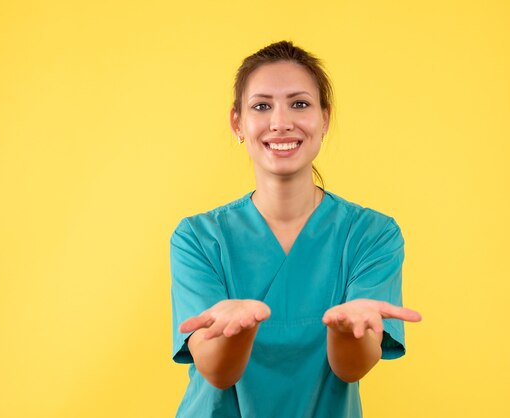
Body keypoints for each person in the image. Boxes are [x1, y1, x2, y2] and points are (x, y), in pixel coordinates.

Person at [170, 40, 422, 418]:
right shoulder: (197, 238)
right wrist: (236, 331)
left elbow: (352, 368)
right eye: (261, 106)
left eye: (300, 103)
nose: (281, 122)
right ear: (237, 122)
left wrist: (344, 328)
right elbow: (217, 372)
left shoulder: (372, 235)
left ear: (324, 118)